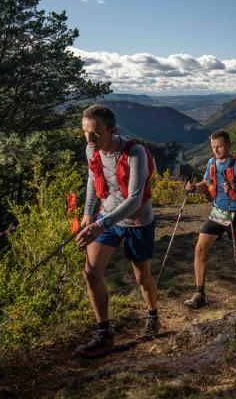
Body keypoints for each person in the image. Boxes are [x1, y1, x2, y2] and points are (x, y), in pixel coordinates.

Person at [73, 105, 159, 358]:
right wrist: (89, 213)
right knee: (91, 272)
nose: (89, 139)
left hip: (137, 221)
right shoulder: (92, 149)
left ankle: (153, 313)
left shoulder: (135, 153)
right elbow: (92, 178)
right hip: (106, 218)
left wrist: (100, 224)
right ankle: (104, 334)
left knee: (142, 276)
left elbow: (134, 198)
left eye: (96, 134)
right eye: (85, 133)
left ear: (112, 130)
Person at [183, 129, 236, 308]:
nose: (216, 150)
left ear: (228, 145)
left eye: (219, 146)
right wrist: (194, 188)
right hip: (217, 213)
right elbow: (206, 184)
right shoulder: (211, 162)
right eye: (213, 147)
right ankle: (199, 294)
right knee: (200, 249)